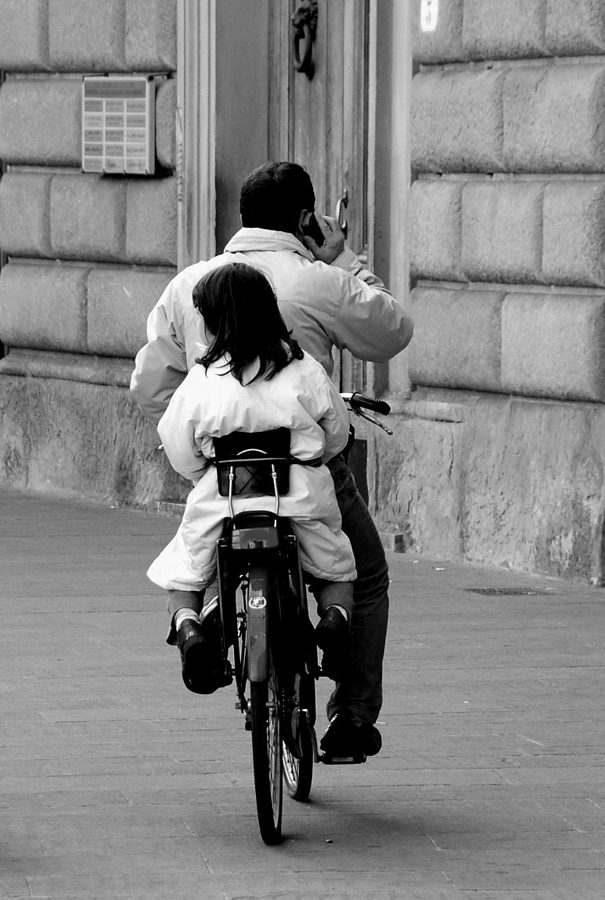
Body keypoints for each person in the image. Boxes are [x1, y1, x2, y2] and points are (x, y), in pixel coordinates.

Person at [131, 161, 414, 760]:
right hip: (304, 474)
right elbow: (391, 332)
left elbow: (152, 389)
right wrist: (344, 259)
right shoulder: (317, 283)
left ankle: (202, 622)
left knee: (194, 561)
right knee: (363, 574)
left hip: (222, 476)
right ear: (306, 218)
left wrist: (204, 436)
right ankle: (351, 715)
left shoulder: (189, 286)